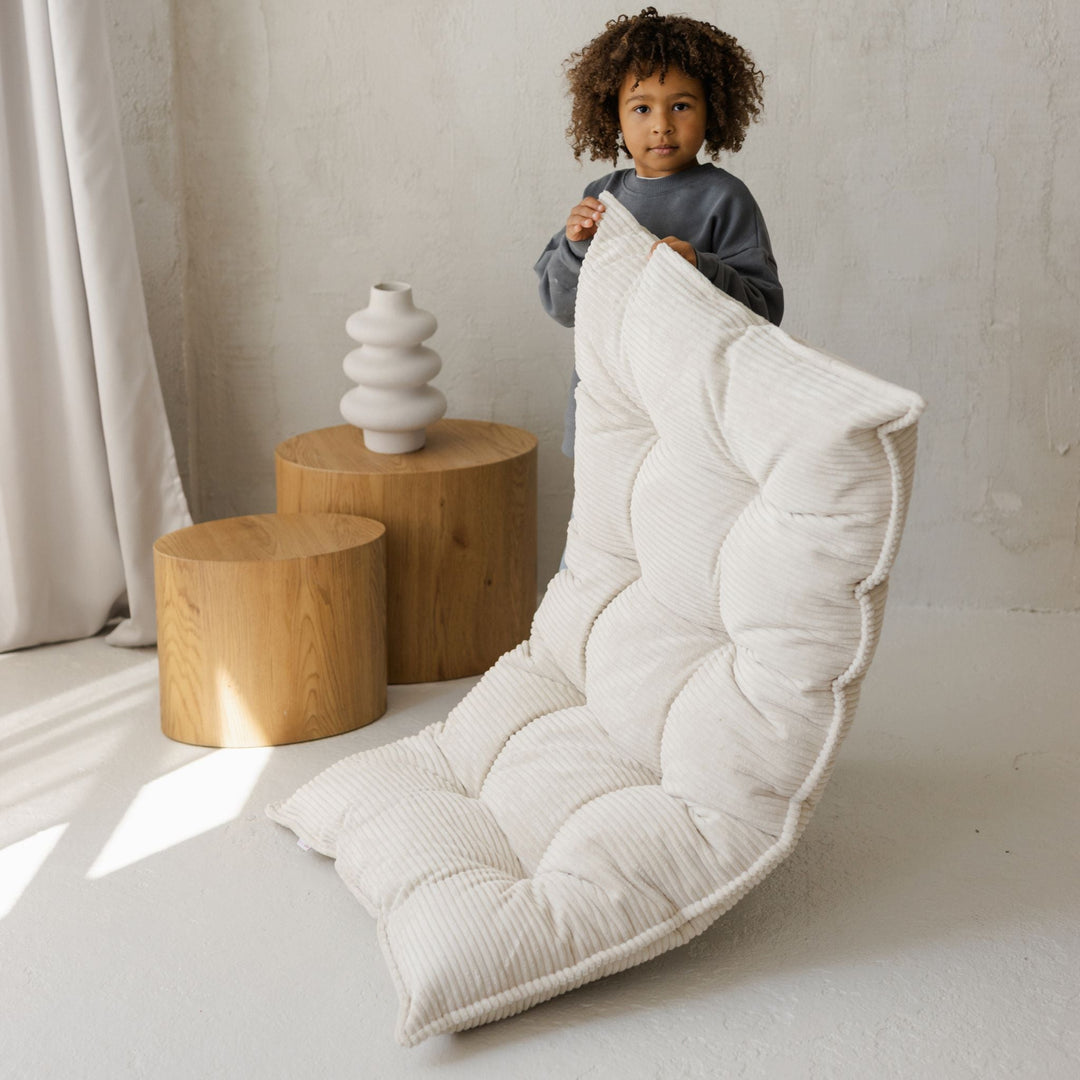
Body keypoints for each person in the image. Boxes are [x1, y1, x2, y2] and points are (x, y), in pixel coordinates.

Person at [535, 7, 784, 459]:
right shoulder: (601, 197)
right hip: (607, 409)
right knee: (604, 527)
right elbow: (562, 307)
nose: (662, 124)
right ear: (613, 116)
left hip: (690, 412)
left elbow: (764, 310)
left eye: (682, 105)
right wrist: (574, 248)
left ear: (713, 110)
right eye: (642, 107)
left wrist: (699, 268)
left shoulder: (725, 199)